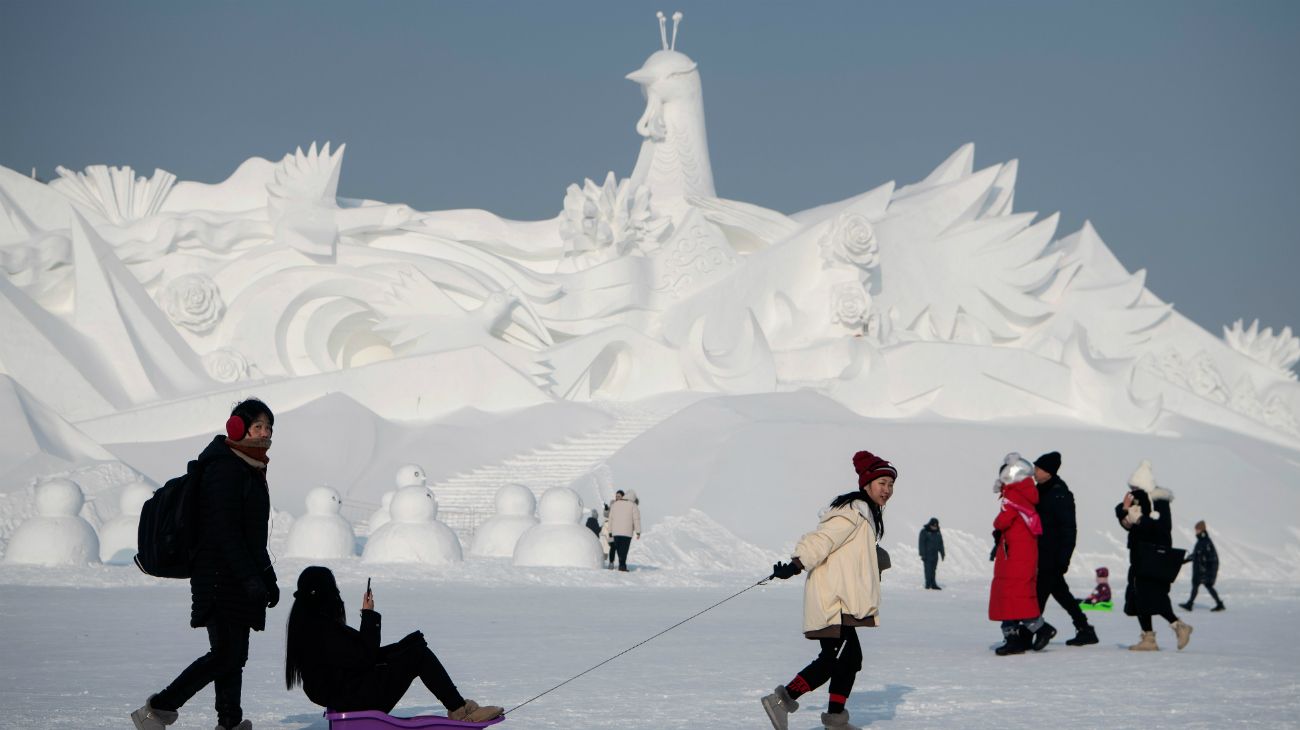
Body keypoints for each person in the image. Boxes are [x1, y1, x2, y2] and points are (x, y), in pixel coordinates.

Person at [132, 399, 281, 730]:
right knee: (226, 654)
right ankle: (158, 709)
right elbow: (224, 531)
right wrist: (250, 578)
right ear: (237, 428)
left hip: (236, 575)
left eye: (269, 428)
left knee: (233, 655)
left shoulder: (250, 468)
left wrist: (267, 578)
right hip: (217, 576)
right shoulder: (224, 468)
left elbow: (251, 536)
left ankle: (229, 723)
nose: (265, 434)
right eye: (258, 426)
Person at [761, 450, 894, 730]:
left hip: (844, 598)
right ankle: (783, 699)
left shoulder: (865, 514)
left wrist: (874, 557)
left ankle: (835, 718)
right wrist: (796, 564)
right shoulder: (854, 511)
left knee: (848, 659)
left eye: (891, 484)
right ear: (867, 484)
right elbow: (822, 540)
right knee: (833, 659)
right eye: (882, 483)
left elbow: (849, 551)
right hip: (835, 598)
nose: (887, 489)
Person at [284, 566, 502, 722]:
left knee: (415, 651)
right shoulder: (323, 630)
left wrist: (403, 646)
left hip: (349, 694)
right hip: (356, 699)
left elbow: (355, 657)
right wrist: (368, 615)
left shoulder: (311, 626)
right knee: (419, 656)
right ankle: (459, 710)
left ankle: (460, 707)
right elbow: (364, 656)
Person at [1115, 460, 1192, 651]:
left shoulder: (1158, 502)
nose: (1132, 491)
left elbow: (1161, 529)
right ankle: (1148, 638)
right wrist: (1125, 512)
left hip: (1153, 560)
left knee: (1154, 596)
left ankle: (1179, 626)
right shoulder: (1139, 501)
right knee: (1138, 596)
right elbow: (1129, 523)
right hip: (1140, 557)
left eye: (1134, 487)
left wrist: (1138, 518)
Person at [988, 452, 1054, 656]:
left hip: (1014, 554)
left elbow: (1003, 521)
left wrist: (997, 524)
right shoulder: (1026, 493)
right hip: (1020, 551)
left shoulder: (1014, 495)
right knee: (1016, 594)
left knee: (1011, 594)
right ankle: (1020, 635)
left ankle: (1032, 631)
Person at [1031, 452, 1099, 646]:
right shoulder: (1041, 490)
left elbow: (1069, 528)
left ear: (1049, 472)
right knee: (1060, 592)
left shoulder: (1060, 494)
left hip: (1051, 555)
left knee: (1040, 593)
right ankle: (1085, 629)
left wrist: (1063, 558)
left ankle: (1030, 631)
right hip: (1042, 553)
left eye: (1038, 468)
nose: (1034, 472)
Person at [1180, 520, 1224, 612]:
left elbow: (1209, 557)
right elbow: (1197, 554)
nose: (1196, 531)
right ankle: (1190, 604)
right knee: (1198, 585)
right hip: (1201, 569)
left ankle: (1219, 604)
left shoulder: (1205, 541)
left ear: (1201, 530)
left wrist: (1206, 569)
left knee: (1206, 585)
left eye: (1197, 530)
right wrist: (1186, 560)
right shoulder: (1202, 541)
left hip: (1203, 569)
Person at [605, 489, 641, 571]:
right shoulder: (633, 505)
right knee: (624, 550)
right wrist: (638, 532)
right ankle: (622, 566)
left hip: (616, 532)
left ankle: (621, 565)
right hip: (627, 532)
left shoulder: (615, 504)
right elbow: (636, 519)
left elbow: (611, 519)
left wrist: (610, 531)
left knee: (619, 550)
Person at [917, 517, 945, 590]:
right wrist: (922, 554)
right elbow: (921, 544)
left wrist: (942, 553)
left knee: (933, 570)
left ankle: (933, 584)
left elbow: (940, 544)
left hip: (935, 555)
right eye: (933, 526)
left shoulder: (938, 533)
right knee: (928, 570)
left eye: (936, 526)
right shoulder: (924, 532)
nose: (934, 527)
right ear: (930, 525)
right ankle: (928, 584)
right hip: (927, 555)